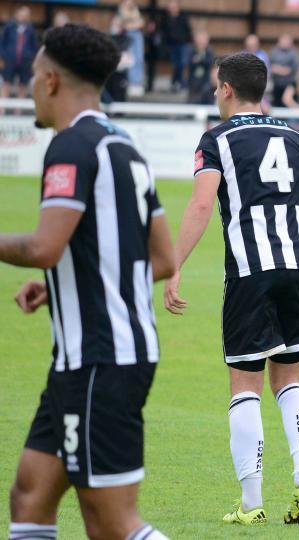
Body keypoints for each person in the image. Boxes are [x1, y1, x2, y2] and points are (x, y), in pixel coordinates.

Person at [3, 24, 174, 540]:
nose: (31, 85)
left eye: (33, 76)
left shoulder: (71, 146)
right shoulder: (123, 146)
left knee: (112, 524)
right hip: (86, 359)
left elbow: (43, 247)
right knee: (30, 496)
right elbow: (161, 258)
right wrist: (66, 279)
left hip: (101, 359)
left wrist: (55, 264)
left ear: (51, 80)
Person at [163, 51, 299, 526]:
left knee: (245, 382)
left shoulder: (216, 139)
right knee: (289, 377)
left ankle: (251, 504)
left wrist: (173, 266)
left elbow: (201, 208)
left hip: (251, 269)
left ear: (225, 89)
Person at [1, 5, 38, 101]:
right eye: (21, 14)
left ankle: (19, 111)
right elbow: (2, 42)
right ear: (17, 15)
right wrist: (3, 56)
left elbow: (34, 46)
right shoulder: (9, 27)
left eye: (26, 15)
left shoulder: (31, 30)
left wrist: (30, 58)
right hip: (9, 60)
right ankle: (2, 109)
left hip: (24, 62)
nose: (23, 17)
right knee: (6, 83)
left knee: (23, 85)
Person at [158, 0, 192, 93]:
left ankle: (179, 82)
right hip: (171, 45)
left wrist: (188, 41)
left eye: (174, 6)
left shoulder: (183, 16)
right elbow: (162, 32)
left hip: (182, 43)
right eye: (171, 6)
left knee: (182, 63)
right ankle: (176, 82)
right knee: (176, 64)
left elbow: (188, 30)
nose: (173, 8)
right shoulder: (165, 17)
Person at [117, 0, 145, 96]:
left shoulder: (135, 8)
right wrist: (133, 24)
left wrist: (133, 24)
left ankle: (138, 83)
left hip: (137, 35)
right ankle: (132, 83)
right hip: (129, 36)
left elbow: (141, 23)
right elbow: (125, 25)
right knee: (131, 59)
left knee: (139, 59)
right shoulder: (122, 9)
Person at [104, 15, 134, 103]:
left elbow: (129, 58)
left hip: (121, 72)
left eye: (118, 24)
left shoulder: (127, 39)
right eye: (114, 24)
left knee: (120, 94)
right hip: (109, 72)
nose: (115, 26)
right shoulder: (107, 38)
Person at [269, 33, 299, 105]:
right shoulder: (274, 51)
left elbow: (294, 68)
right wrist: (283, 70)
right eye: (283, 41)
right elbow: (270, 66)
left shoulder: (294, 52)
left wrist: (279, 69)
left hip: (289, 85)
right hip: (276, 84)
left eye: (287, 41)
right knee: (276, 104)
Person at [186, 30, 214, 104]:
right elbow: (190, 63)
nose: (200, 42)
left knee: (205, 98)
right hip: (193, 80)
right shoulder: (191, 50)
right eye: (199, 40)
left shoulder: (209, 51)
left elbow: (210, 62)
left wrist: (199, 60)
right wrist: (200, 61)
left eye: (202, 40)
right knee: (192, 99)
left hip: (205, 80)